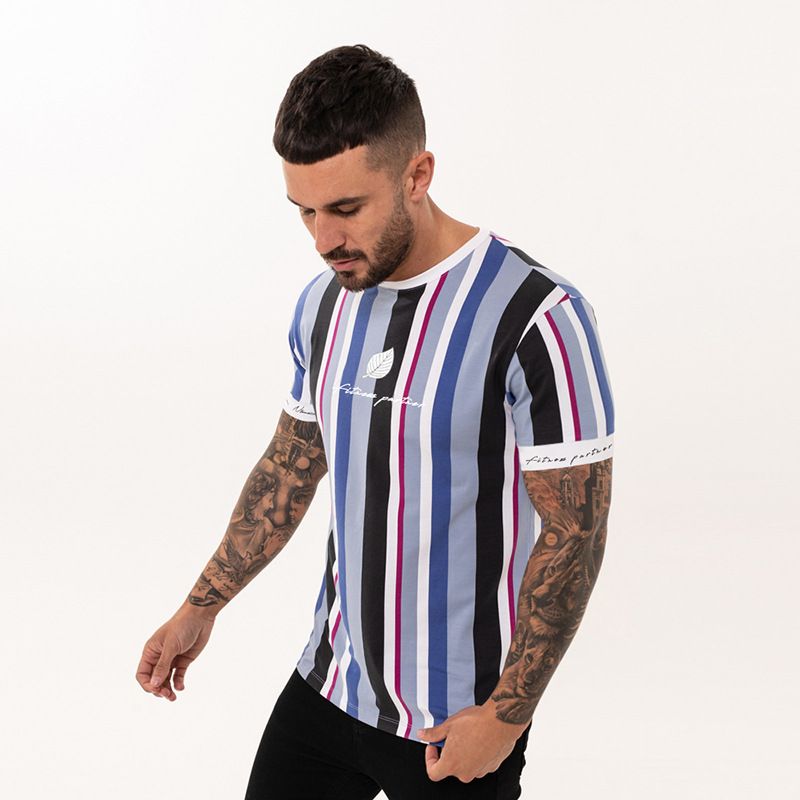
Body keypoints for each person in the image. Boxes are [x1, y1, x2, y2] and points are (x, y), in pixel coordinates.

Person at [136, 44, 614, 800]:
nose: (323, 240)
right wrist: (202, 605)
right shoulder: (324, 304)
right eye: (305, 212)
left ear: (417, 175)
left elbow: (574, 531)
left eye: (346, 209)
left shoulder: (538, 318)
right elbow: (292, 464)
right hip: (330, 685)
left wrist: (506, 718)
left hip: (457, 723)